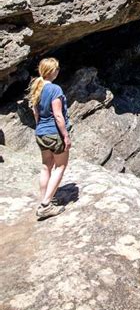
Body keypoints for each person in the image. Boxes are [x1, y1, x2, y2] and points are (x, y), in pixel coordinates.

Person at [28, 57, 72, 220]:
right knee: (60, 166)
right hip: (55, 133)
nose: (58, 71)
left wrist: (41, 127)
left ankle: (44, 199)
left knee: (46, 166)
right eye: (57, 69)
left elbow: (36, 113)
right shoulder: (55, 89)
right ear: (52, 71)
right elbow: (58, 115)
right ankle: (46, 205)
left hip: (41, 132)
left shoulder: (36, 87)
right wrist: (65, 136)